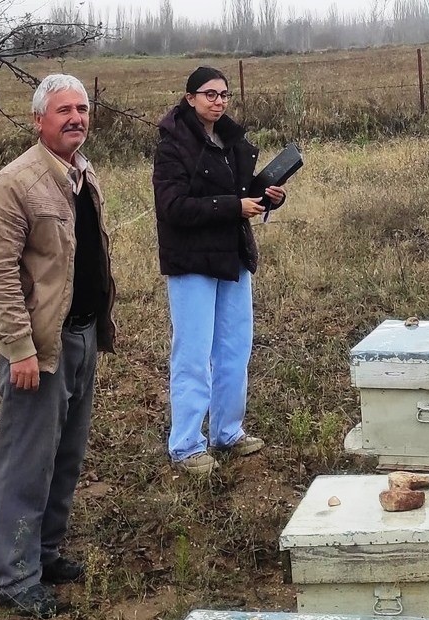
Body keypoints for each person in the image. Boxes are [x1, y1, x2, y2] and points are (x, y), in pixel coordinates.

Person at [0, 73, 117, 618]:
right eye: (64, 110)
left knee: (66, 457)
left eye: (82, 108)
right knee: (26, 463)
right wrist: (20, 350)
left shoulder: (82, 175)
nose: (76, 118)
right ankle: (14, 576)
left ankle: (47, 553)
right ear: (39, 119)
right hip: (41, 348)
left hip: (82, 335)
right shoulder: (15, 183)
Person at [152, 66, 286, 475]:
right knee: (193, 353)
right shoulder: (173, 146)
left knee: (234, 347)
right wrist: (233, 207)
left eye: (224, 95)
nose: (218, 101)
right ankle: (186, 445)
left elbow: (242, 194)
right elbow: (172, 208)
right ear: (190, 97)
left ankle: (227, 431)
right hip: (192, 261)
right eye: (210, 94)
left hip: (233, 256)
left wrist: (267, 196)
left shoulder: (232, 141)